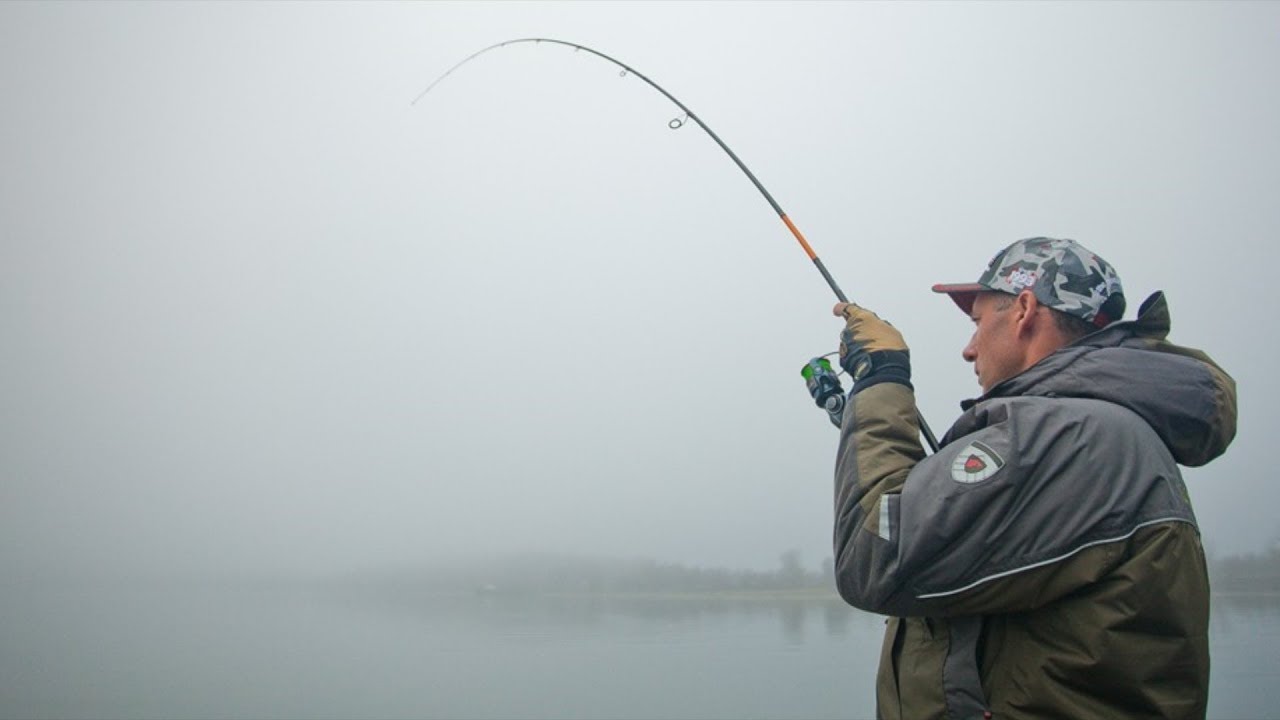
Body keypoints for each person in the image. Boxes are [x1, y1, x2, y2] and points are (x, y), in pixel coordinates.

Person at [816, 237, 1237, 720]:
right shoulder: (1091, 435)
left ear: (1023, 309)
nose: (969, 350)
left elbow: (874, 558)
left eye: (977, 323)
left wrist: (881, 381)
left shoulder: (1070, 436)